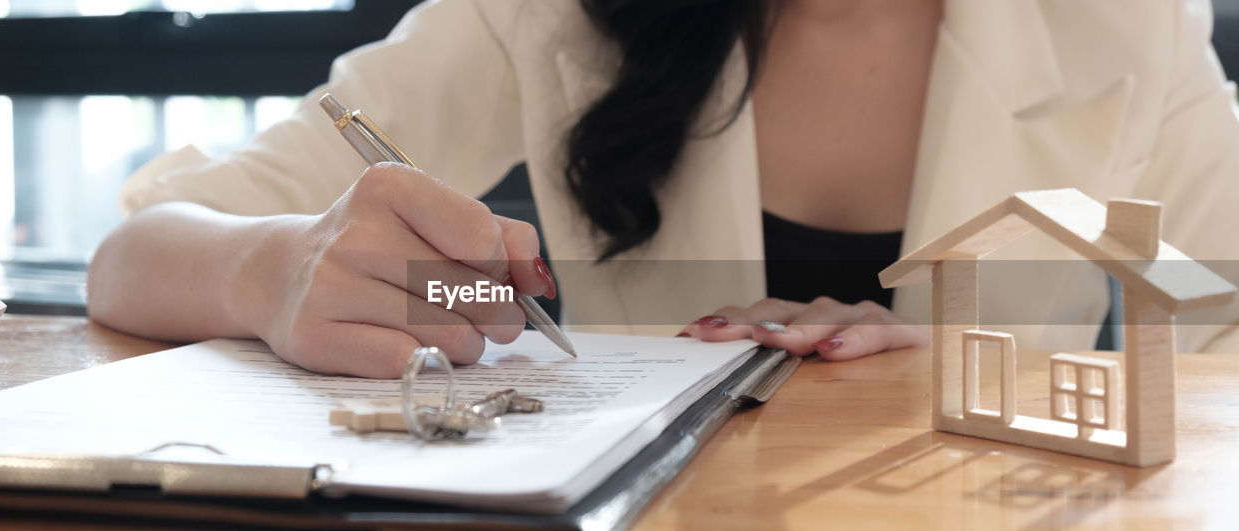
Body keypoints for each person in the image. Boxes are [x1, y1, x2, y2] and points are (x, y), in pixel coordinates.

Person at [88, 0, 1239, 378]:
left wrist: (985, 376)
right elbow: (136, 249)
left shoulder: (1124, 25)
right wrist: (275, 265)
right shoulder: (547, 13)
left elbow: (1222, 322)